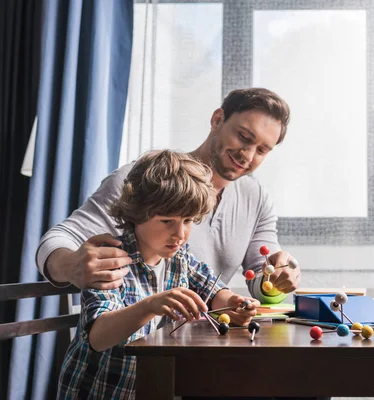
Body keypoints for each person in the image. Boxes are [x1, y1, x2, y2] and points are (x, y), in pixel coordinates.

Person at [36, 88, 300, 304]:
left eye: (263, 150)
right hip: (141, 347)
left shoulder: (257, 199)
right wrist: (70, 265)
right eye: (243, 136)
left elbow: (261, 283)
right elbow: (57, 240)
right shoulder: (146, 179)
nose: (248, 155)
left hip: (204, 345)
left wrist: (279, 278)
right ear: (217, 120)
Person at [57, 150, 260, 399]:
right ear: (137, 213)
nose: (180, 234)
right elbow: (98, 337)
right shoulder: (109, 260)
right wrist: (151, 305)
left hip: (149, 387)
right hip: (99, 392)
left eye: (187, 221)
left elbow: (215, 292)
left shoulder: (180, 257)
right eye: (167, 221)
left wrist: (235, 304)